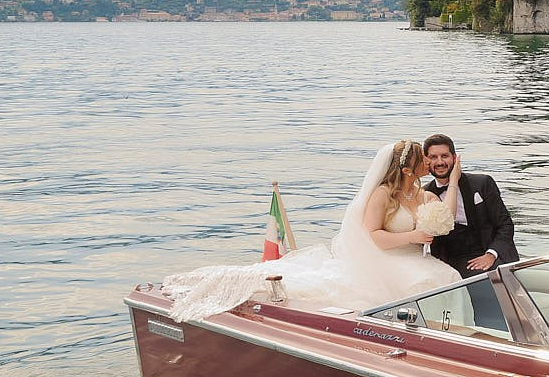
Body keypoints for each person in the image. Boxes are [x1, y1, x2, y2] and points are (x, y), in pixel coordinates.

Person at [164, 140, 457, 322]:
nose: (430, 164)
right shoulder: (381, 195)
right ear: (407, 169)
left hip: (414, 257)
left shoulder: (422, 194)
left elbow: (445, 216)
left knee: (447, 277)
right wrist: (412, 237)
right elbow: (374, 237)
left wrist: (453, 181)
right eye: (424, 160)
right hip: (387, 256)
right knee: (422, 281)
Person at [421, 133, 518, 329]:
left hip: (485, 251)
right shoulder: (424, 193)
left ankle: (500, 331)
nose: (439, 162)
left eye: (444, 156)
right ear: (426, 162)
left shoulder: (482, 183)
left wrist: (490, 255)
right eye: (433, 157)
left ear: (455, 158)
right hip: (451, 257)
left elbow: (505, 225)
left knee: (489, 275)